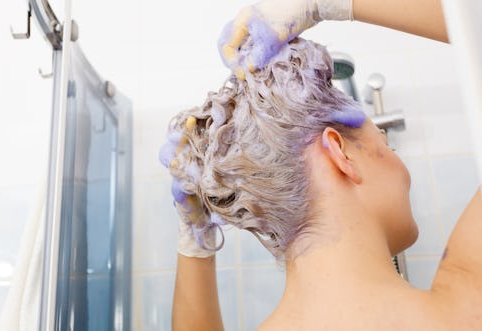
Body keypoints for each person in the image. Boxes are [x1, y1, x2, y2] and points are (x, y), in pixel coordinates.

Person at [163, 0, 481, 330]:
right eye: (384, 143)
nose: (401, 166)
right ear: (340, 153)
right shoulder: (464, 304)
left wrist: (194, 237)